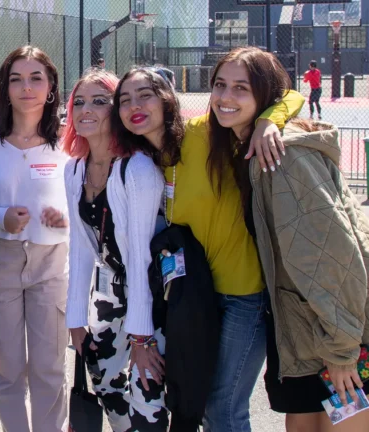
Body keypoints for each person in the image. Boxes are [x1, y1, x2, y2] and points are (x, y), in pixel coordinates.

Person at [113, 55, 305, 431]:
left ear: (167, 99)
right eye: (125, 99)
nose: (135, 106)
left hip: (243, 296)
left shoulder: (205, 132)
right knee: (201, 403)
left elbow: (290, 96)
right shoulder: (146, 165)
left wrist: (269, 120)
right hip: (198, 300)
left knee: (224, 406)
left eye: (146, 95)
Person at [207, 49, 369, 432]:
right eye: (219, 85)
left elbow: (332, 254)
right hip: (301, 335)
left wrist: (343, 349)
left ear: (265, 96)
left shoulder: (283, 157)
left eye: (241, 88)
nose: (225, 97)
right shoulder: (252, 147)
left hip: (331, 334)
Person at [0, 45, 70, 432]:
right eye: (16, 79)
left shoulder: (69, 138)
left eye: (36, 78)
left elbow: (88, 200)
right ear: (4, 89)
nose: (27, 87)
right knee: (6, 367)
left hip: (52, 263)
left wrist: (65, 219)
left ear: (52, 87)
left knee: (49, 367)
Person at [62, 68, 171, 431]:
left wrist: (141, 337)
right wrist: (75, 317)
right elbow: (80, 246)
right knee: (105, 379)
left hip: (152, 295)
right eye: (78, 102)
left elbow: (140, 259)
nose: (85, 110)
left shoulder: (135, 168)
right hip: (110, 289)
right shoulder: (75, 169)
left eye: (99, 101)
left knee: (147, 393)